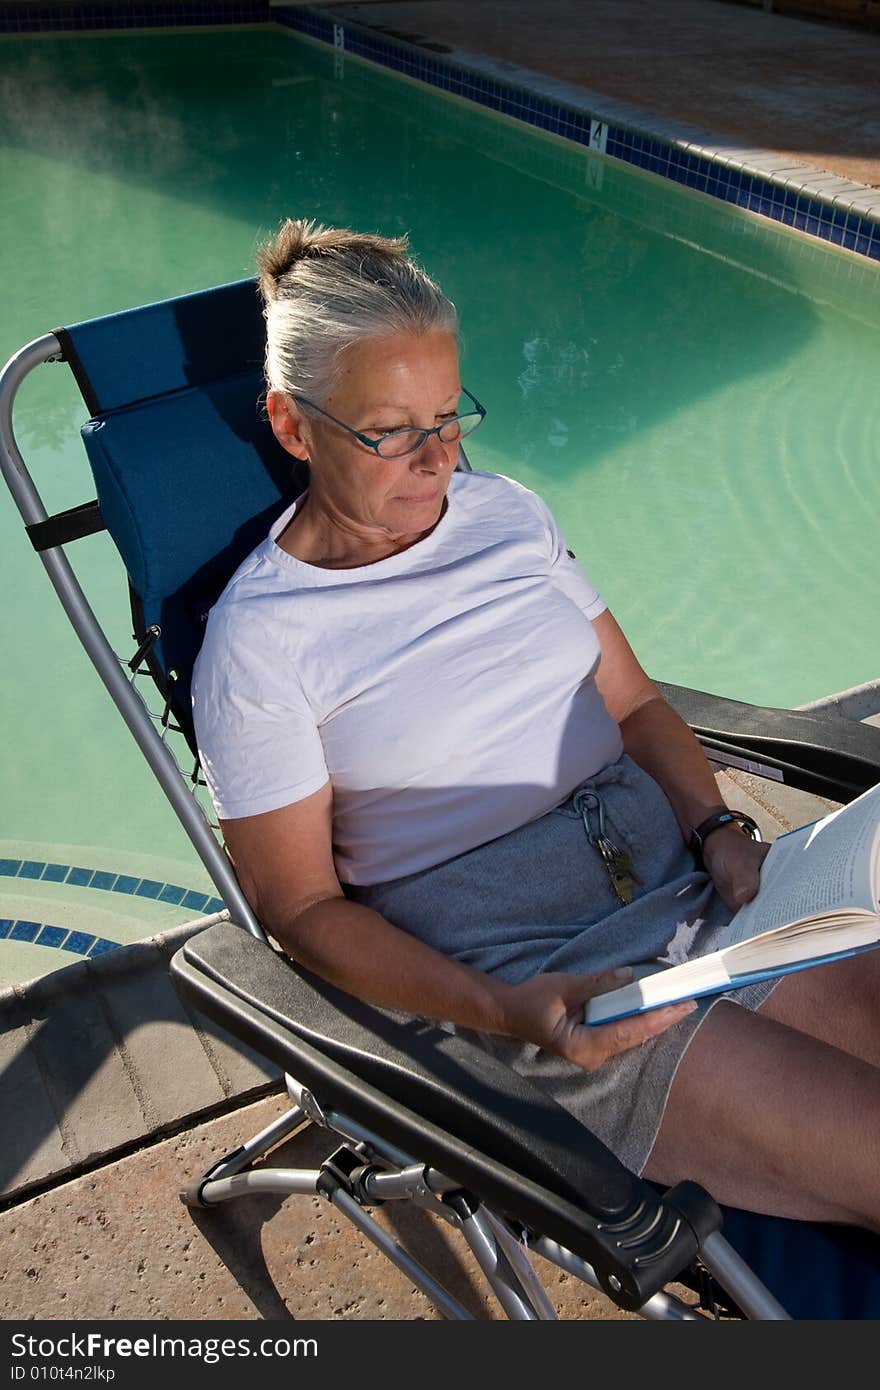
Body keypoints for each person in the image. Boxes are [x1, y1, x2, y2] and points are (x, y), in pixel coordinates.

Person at [192, 218, 880, 1231]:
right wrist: (505, 1009)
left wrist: (719, 830)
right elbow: (300, 912)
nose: (435, 460)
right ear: (293, 428)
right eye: (390, 430)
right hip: (542, 989)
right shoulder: (263, 645)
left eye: (448, 418)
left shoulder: (506, 515)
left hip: (704, 899)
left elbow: (636, 703)